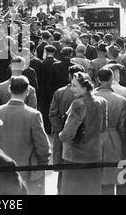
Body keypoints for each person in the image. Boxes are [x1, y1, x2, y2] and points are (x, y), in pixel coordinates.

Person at [0, 76, 51, 195]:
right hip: (28, 171)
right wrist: (43, 162)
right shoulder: (34, 115)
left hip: (2, 170)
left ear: (9, 89)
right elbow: (42, 145)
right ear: (27, 91)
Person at [59, 72, 107, 195]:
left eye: (74, 86)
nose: (71, 89)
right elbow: (103, 128)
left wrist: (61, 135)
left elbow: (68, 134)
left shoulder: (78, 104)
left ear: (85, 87)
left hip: (75, 157)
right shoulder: (102, 101)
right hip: (95, 155)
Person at [49, 64, 85, 194]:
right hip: (82, 139)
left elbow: (53, 114)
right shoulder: (88, 94)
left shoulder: (59, 92)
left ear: (69, 76)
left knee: (63, 175)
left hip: (63, 137)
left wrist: (61, 130)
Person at [94, 68, 126, 195]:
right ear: (111, 79)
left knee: (99, 175)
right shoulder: (121, 100)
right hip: (115, 138)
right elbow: (123, 126)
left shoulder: (90, 97)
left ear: (98, 79)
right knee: (117, 173)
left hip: (95, 138)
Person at [40, 45, 58, 133]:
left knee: (45, 109)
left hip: (44, 89)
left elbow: (42, 77)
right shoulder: (57, 63)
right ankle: (55, 128)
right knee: (55, 108)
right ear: (54, 52)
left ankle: (47, 128)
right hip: (54, 89)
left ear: (46, 52)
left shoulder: (42, 63)